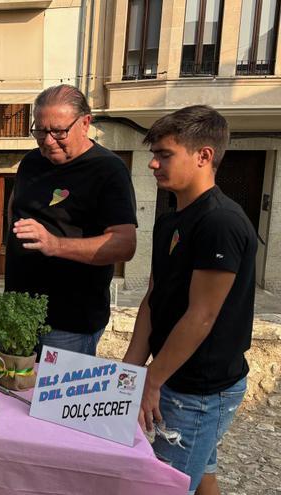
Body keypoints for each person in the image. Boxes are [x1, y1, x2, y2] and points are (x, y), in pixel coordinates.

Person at [123, 106, 255, 495]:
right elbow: (153, 296)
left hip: (200, 388)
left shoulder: (221, 222)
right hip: (176, 377)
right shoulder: (170, 219)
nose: (152, 163)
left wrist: (152, 381)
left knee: (166, 485)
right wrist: (130, 369)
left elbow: (202, 315)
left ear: (203, 156)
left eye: (165, 154)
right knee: (202, 478)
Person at [0, 84, 137, 357]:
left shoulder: (108, 170)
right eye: (40, 130)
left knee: (53, 401)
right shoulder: (30, 162)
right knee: (4, 396)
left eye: (59, 131)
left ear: (85, 123)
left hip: (70, 325)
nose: (48, 141)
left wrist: (54, 245)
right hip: (17, 313)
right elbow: (15, 209)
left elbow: (124, 245)